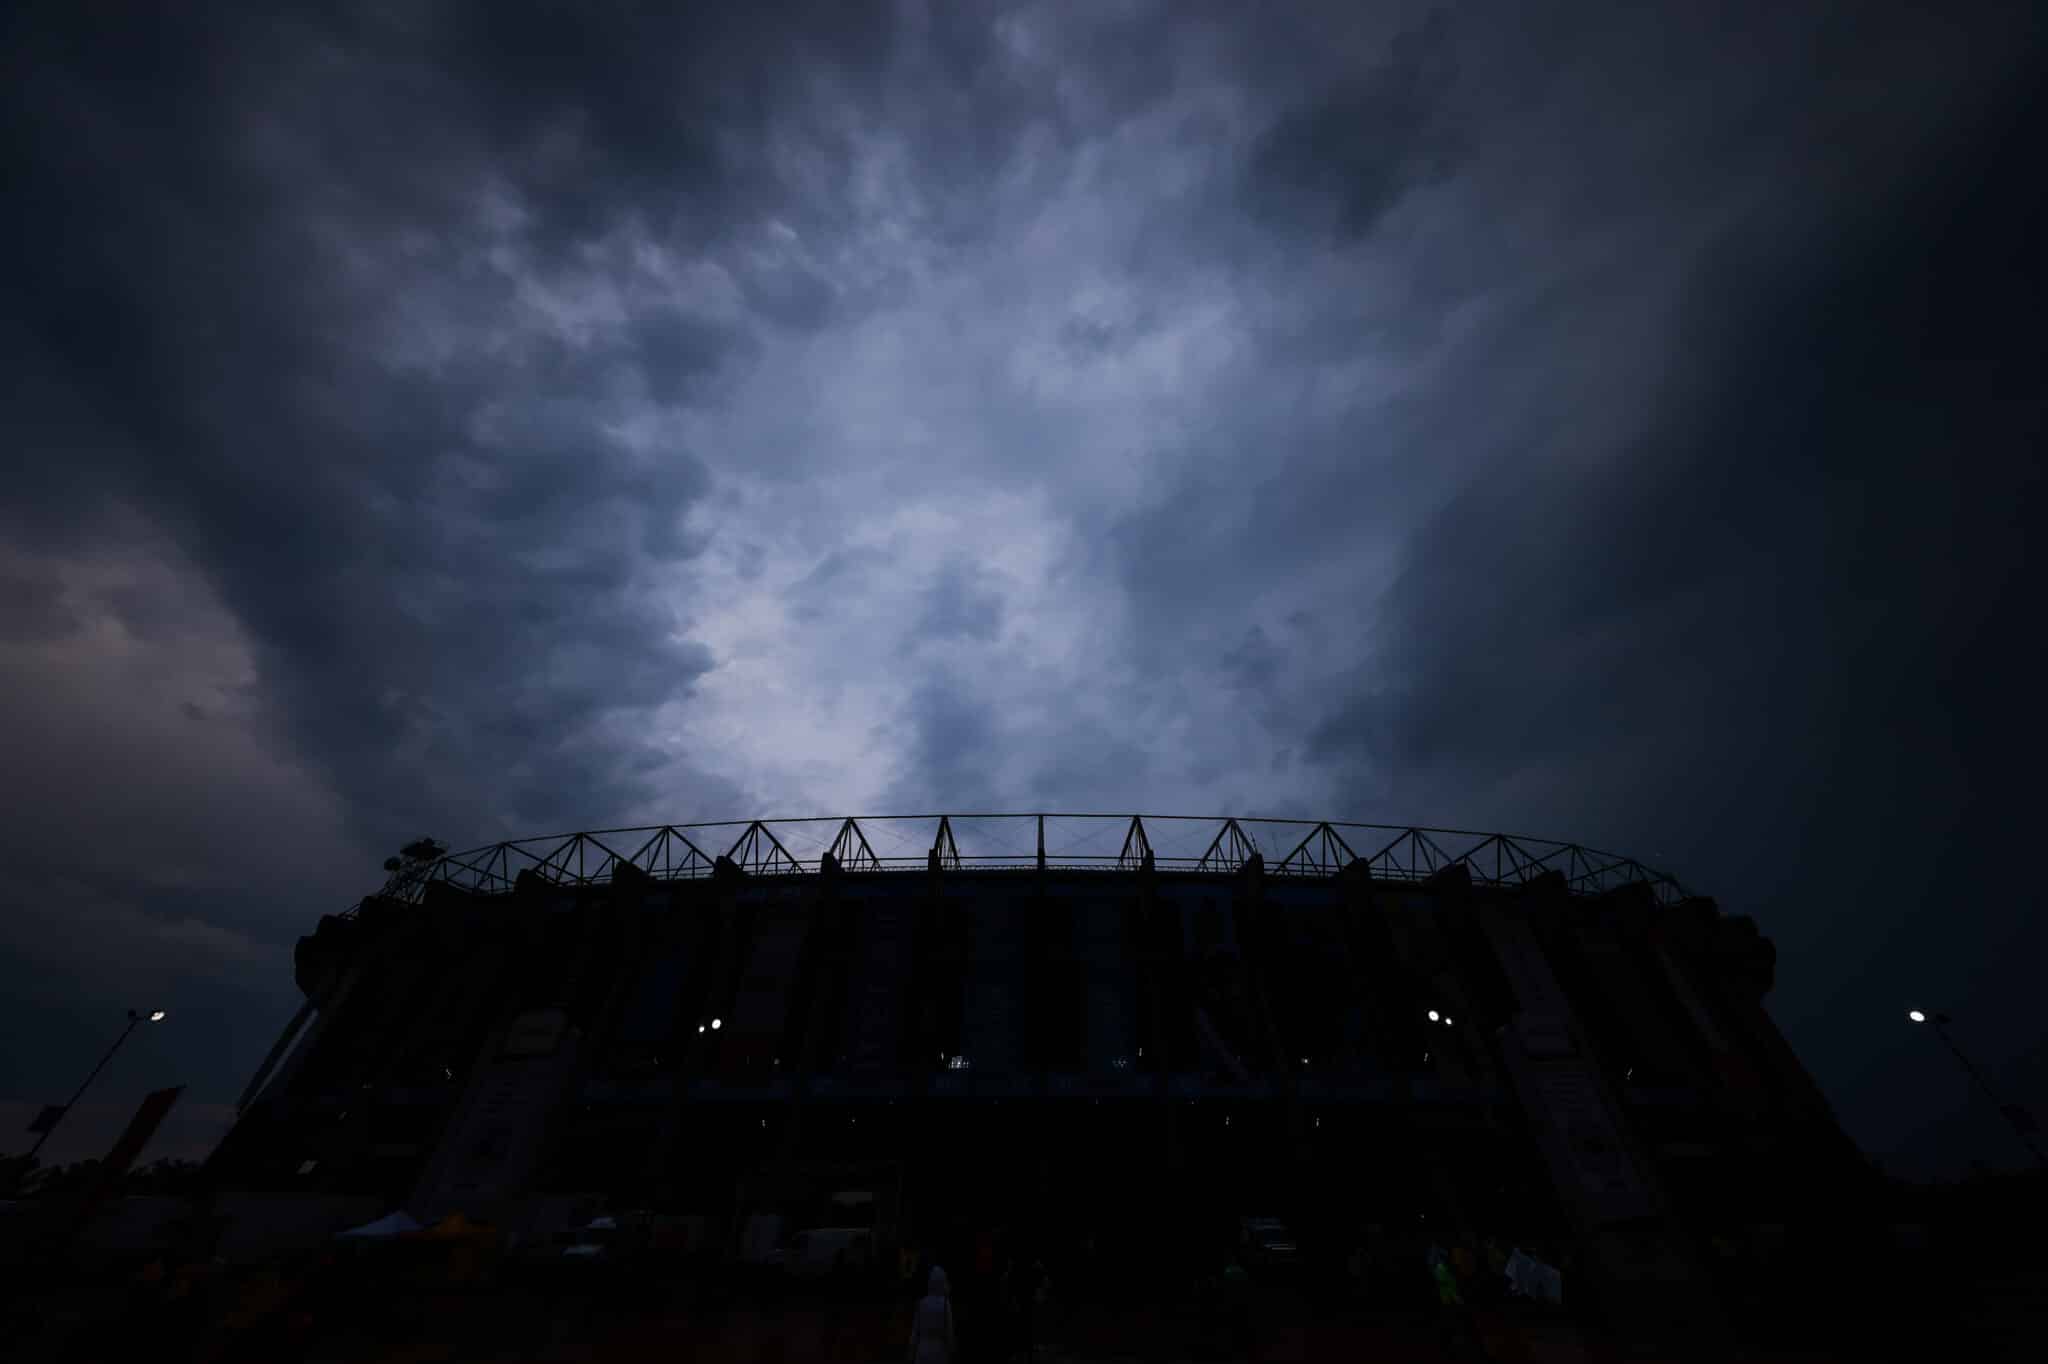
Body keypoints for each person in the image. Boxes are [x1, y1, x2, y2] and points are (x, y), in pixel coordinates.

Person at [910, 1266, 958, 1364]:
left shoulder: (922, 1303)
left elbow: (915, 1331)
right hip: (940, 1351)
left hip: (922, 1350)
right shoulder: (945, 1303)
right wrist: (952, 1350)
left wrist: (911, 1352)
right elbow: (949, 1331)